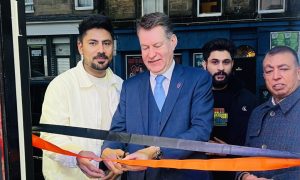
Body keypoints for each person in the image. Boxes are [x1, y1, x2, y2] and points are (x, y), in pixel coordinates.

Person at [101, 12, 214, 180]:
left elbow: (200, 131)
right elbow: (118, 131)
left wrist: (156, 150)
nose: (151, 54)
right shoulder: (129, 86)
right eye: (145, 47)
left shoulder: (198, 80)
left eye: (157, 45)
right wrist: (108, 150)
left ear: (173, 42)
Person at [39, 15, 123, 180]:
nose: (101, 50)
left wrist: (118, 163)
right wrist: (77, 155)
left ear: (113, 46)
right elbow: (50, 137)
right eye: (93, 43)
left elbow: (123, 135)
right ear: (80, 47)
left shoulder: (121, 86)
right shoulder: (61, 85)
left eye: (106, 43)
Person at [237, 46, 300, 180]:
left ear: (298, 73)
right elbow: (246, 154)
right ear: (264, 76)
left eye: (283, 69)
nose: (276, 76)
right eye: (269, 71)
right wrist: (243, 176)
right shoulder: (257, 113)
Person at [202, 38, 257, 180]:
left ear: (232, 64)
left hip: (236, 173)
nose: (221, 68)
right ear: (205, 64)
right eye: (215, 62)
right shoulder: (193, 97)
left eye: (226, 62)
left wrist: (230, 150)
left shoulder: (249, 100)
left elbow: (256, 144)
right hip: (199, 171)